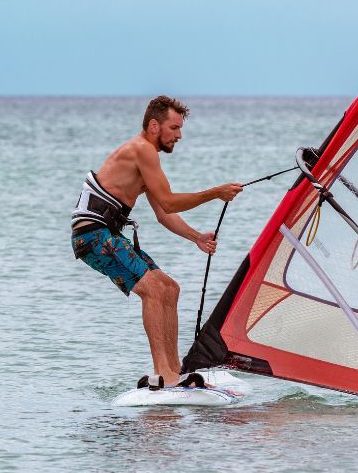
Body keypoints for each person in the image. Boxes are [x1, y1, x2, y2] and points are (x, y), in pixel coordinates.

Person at [70, 95, 242, 389]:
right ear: (154, 126)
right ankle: (164, 373)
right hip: (92, 235)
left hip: (108, 234)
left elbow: (163, 213)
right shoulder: (142, 150)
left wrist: (196, 237)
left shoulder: (147, 155)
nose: (180, 135)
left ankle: (177, 370)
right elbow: (169, 201)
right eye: (174, 128)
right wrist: (215, 192)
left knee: (169, 288)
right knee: (152, 289)